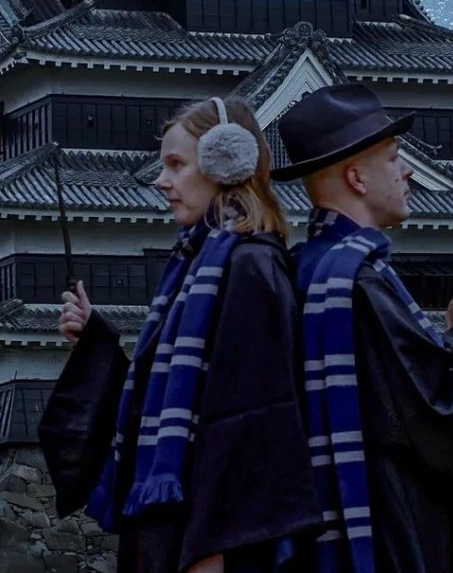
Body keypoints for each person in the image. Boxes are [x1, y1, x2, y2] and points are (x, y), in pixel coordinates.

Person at [40, 96, 320, 573]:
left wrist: (212, 550)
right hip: (173, 527)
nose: (161, 180)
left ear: (227, 162)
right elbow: (162, 397)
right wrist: (96, 341)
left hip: (208, 542)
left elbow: (253, 418)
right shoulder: (193, 266)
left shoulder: (250, 265)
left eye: (175, 164)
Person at [272, 83, 453, 573]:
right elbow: (432, 419)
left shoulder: (299, 269)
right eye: (395, 158)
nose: (408, 171)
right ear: (356, 177)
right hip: (386, 527)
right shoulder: (360, 283)